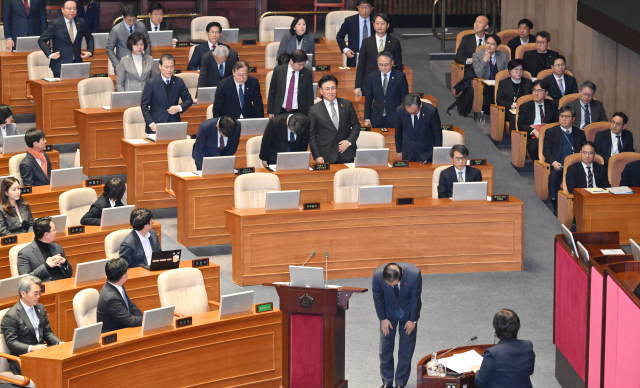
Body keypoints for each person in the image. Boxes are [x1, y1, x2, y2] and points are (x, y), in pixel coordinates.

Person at [372, 262, 422, 388]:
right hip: (388, 314)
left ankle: (400, 382)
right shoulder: (378, 275)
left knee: (406, 349)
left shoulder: (414, 274)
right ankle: (386, 381)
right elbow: (378, 298)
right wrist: (383, 318)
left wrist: (413, 320)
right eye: (388, 284)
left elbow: (416, 298)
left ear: (401, 276)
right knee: (385, 348)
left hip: (408, 314)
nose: (391, 286)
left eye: (394, 284)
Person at [1, 276, 62, 375]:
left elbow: (47, 332)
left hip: (41, 355)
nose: (38, 296)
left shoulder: (40, 308)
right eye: (35, 294)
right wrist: (31, 348)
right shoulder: (11, 316)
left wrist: (59, 344)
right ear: (23, 293)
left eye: (39, 293)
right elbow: (11, 343)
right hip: (23, 358)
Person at [471, 309, 535, 388]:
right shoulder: (527, 345)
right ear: (518, 328)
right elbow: (530, 371)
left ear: (495, 330)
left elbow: (480, 381)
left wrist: (477, 370)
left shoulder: (492, 353)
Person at [543, 105, 586, 211]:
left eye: (567, 116)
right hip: (559, 166)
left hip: (576, 167)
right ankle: (556, 206)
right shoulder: (551, 132)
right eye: (561, 116)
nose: (563, 119)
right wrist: (553, 162)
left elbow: (584, 151)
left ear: (573, 119)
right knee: (553, 176)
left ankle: (579, 207)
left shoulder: (580, 133)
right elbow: (546, 150)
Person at [309, 75, 360, 164]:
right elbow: (312, 136)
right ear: (321, 91)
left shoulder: (347, 104)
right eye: (327, 89)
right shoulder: (314, 110)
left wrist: (349, 141)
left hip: (348, 153)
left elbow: (356, 125)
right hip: (326, 155)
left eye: (333, 88)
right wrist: (317, 155)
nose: (331, 92)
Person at [37, 0, 94, 78]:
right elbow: (41, 40)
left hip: (77, 63)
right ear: (62, 9)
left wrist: (90, 51)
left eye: (74, 8)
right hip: (60, 64)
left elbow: (90, 38)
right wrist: (49, 54)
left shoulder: (81, 22)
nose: (72, 11)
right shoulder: (55, 24)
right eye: (69, 8)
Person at [140, 53, 193, 134]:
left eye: (172, 67)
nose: (169, 70)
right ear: (160, 66)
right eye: (166, 67)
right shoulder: (151, 83)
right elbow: (144, 105)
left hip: (174, 124)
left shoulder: (179, 81)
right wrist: (151, 123)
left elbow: (189, 100)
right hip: (156, 125)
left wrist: (179, 107)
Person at [354, 13, 402, 95]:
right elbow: (361, 65)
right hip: (369, 83)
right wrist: (358, 86)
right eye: (377, 23)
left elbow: (398, 65)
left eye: (382, 23)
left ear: (388, 25)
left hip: (389, 84)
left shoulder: (395, 42)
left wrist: (397, 83)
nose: (380, 26)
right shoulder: (366, 42)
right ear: (373, 25)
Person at [17, 217, 73, 282]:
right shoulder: (24, 253)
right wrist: (46, 265)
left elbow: (69, 274)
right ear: (46, 234)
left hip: (64, 284)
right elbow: (25, 280)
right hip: (44, 288)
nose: (56, 232)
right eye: (54, 230)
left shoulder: (57, 247)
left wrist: (65, 263)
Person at [96, 257, 143, 333]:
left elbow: (131, 305)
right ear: (123, 276)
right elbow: (130, 320)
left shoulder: (117, 285)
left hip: (122, 326)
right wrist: (148, 319)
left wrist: (142, 318)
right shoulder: (110, 298)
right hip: (113, 336)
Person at [364, 51, 408, 128]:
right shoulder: (372, 77)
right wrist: (367, 118)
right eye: (380, 64)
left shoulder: (400, 77)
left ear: (392, 62)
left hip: (394, 118)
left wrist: (405, 117)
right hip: (377, 118)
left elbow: (405, 99)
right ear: (377, 63)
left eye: (386, 64)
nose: (383, 67)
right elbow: (368, 99)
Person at [517, 80, 558, 161]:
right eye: (534, 90)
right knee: (533, 147)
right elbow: (520, 125)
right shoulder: (525, 106)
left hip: (549, 135)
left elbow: (557, 122)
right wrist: (534, 131)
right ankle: (539, 166)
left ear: (546, 93)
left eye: (539, 91)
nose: (536, 93)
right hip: (533, 137)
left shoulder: (552, 105)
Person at [394, 94, 442, 162]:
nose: (412, 114)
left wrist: (437, 152)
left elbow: (437, 133)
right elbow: (398, 132)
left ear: (420, 105)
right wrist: (399, 151)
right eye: (409, 112)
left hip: (427, 152)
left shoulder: (431, 111)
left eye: (415, 112)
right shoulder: (400, 111)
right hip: (408, 152)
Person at [267, 50, 315, 117]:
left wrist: (310, 113)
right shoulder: (279, 71)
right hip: (281, 110)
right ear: (291, 61)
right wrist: (271, 111)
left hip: (299, 112)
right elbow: (272, 91)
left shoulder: (307, 73)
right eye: (299, 64)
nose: (301, 67)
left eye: (303, 64)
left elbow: (310, 95)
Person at [106, 4, 152, 72]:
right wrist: (116, 64)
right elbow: (109, 49)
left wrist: (147, 60)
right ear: (123, 17)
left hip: (140, 63)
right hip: (123, 65)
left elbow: (147, 44)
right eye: (129, 20)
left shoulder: (141, 26)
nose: (132, 22)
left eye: (134, 19)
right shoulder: (116, 30)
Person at [472, 34, 508, 108]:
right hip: (485, 84)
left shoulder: (503, 56)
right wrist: (485, 60)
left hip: (500, 84)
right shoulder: (477, 55)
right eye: (487, 43)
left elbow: (506, 73)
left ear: (497, 47)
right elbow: (479, 75)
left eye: (492, 44)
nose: (489, 46)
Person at [496, 59, 532, 131]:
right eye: (516, 69)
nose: (519, 72)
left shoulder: (528, 82)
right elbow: (499, 100)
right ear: (510, 71)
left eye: (521, 70)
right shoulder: (503, 83)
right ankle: (515, 138)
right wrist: (511, 105)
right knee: (516, 117)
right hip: (510, 110)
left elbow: (531, 97)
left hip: (525, 109)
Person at [336, 0, 375, 68]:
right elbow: (339, 36)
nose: (364, 10)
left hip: (373, 57)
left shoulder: (377, 21)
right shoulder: (350, 21)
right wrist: (345, 49)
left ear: (372, 8)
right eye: (362, 7)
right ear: (358, 8)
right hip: (354, 56)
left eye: (367, 7)